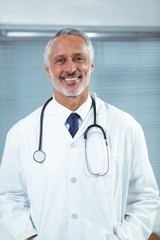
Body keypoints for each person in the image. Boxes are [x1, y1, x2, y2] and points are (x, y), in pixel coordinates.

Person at [0, 28, 159, 240]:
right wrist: (29, 236)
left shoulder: (126, 126)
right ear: (48, 69)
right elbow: (9, 196)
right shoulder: (20, 133)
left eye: (79, 58)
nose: (71, 67)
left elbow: (145, 197)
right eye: (60, 60)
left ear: (91, 66)